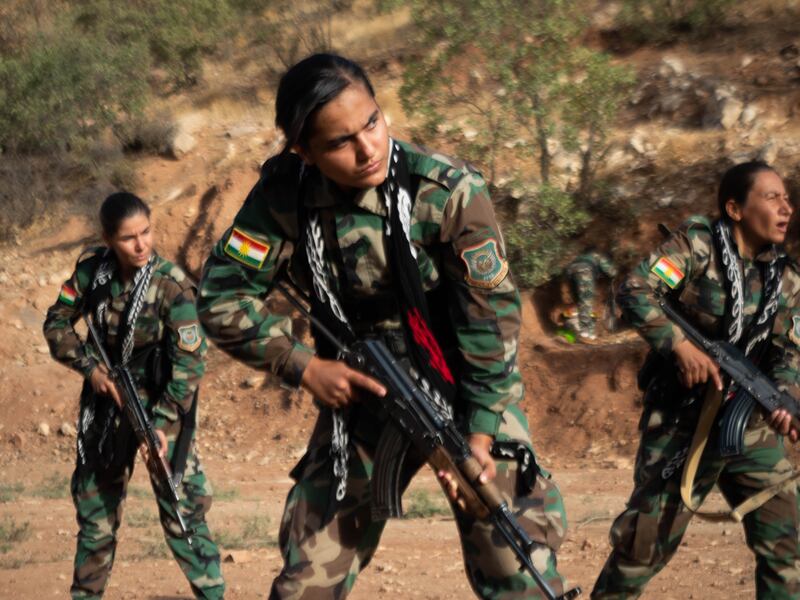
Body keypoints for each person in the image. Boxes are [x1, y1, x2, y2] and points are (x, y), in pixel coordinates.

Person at [197, 53, 572, 599]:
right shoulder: (285, 198)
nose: (367, 148)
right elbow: (220, 295)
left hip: (464, 387)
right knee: (305, 585)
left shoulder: (444, 191)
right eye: (340, 142)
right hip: (362, 391)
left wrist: (481, 435)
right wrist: (304, 367)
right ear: (303, 151)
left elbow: (491, 322)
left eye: (371, 122)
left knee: (516, 562)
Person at [592, 161, 800, 599]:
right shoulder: (698, 247)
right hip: (683, 420)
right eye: (771, 197)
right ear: (735, 208)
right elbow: (634, 288)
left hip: (749, 423)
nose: (786, 208)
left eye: (786, 198)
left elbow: (789, 351)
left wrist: (783, 397)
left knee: (786, 546)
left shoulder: (786, 278)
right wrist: (678, 346)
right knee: (643, 546)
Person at [43, 192, 225, 600]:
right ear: (109, 238)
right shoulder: (93, 274)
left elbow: (190, 365)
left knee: (184, 513)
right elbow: (56, 324)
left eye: (146, 232)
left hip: (160, 411)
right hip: (107, 411)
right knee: (96, 519)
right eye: (129, 238)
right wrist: (90, 370)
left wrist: (159, 425)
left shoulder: (171, 287)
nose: (141, 245)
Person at [563, 249, 617, 341]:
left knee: (579, 300)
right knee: (586, 299)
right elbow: (611, 271)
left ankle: (584, 327)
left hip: (570, 271)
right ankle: (586, 331)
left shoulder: (581, 257)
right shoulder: (597, 255)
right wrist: (613, 274)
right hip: (584, 271)